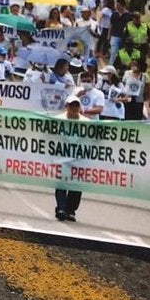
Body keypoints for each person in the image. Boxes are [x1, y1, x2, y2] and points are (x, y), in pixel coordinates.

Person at [54, 93, 84, 221]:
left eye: (76, 106)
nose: (74, 108)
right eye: (71, 105)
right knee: (61, 182)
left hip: (79, 158)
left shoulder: (85, 123)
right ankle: (61, 208)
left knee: (76, 185)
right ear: (66, 106)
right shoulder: (58, 120)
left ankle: (71, 210)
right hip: (61, 156)